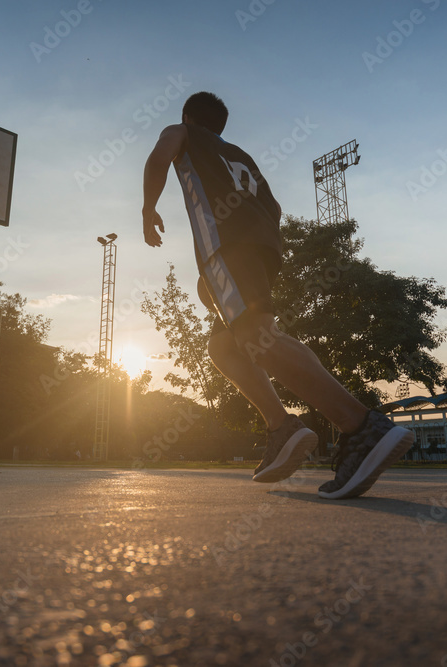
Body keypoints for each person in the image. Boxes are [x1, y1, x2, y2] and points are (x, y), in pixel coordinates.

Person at [141, 92, 413, 499]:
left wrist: (148, 209)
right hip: (260, 249)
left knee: (256, 339)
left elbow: (158, 157)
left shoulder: (180, 132)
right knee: (223, 345)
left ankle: (361, 426)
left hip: (226, 245)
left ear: (187, 117)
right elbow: (275, 208)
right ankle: (281, 426)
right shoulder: (241, 158)